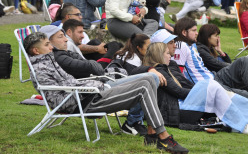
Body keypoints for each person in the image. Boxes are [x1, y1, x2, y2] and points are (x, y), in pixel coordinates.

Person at [23, 32, 189, 153]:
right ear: (36, 51)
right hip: (85, 102)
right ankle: (164, 138)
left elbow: (70, 82)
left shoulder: (50, 61)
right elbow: (56, 98)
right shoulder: (40, 68)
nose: (51, 47)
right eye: (46, 45)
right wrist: (89, 88)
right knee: (145, 84)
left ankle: (153, 134)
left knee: (148, 78)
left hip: (92, 93)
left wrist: (93, 83)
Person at [139, 41, 248, 134]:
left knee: (240, 107)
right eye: (167, 54)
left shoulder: (169, 69)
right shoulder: (158, 71)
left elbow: (188, 84)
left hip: (193, 101)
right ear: (158, 55)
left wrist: (222, 53)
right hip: (184, 109)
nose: (171, 56)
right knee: (224, 94)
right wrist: (204, 91)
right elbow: (178, 91)